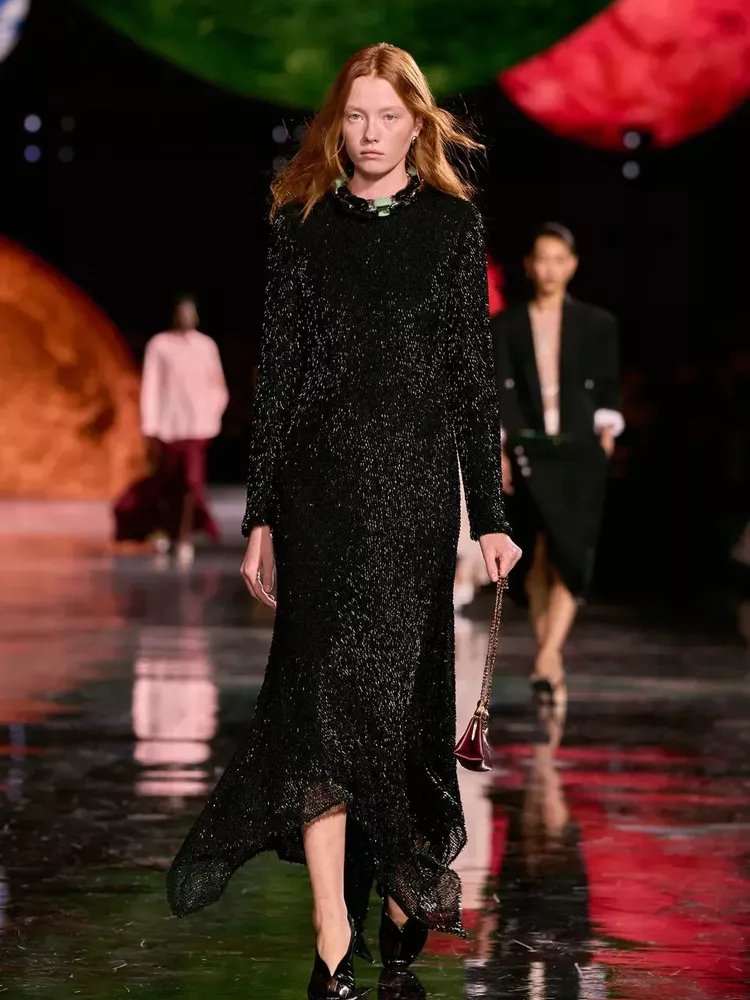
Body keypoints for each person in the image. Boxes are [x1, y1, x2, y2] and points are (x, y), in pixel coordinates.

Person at [166, 42, 521, 999]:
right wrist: (261, 515)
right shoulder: (303, 224)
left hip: (413, 493)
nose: (370, 134)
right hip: (319, 492)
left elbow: (470, 378)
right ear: (337, 123)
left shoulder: (451, 227)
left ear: (416, 124)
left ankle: (400, 878)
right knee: (319, 702)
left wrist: (489, 516)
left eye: (388, 117)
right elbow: (279, 377)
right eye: (355, 116)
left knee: (400, 704)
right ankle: (331, 929)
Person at [491, 223, 624, 704]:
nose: (549, 269)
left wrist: (605, 434)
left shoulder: (597, 324)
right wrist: (501, 449)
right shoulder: (506, 326)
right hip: (530, 448)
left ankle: (548, 655)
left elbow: (607, 387)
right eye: (541, 259)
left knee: (571, 550)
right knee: (539, 553)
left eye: (558, 259)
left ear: (572, 265)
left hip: (579, 450)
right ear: (528, 266)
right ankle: (549, 656)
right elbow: (499, 391)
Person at [138, 294, 229, 564]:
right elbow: (151, 383)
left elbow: (217, 384)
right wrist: (149, 423)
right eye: (182, 313)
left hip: (197, 427)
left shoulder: (206, 346)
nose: (186, 318)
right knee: (167, 481)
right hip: (168, 427)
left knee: (191, 481)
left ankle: (184, 536)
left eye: (191, 313)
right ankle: (164, 530)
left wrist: (212, 414)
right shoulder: (160, 345)